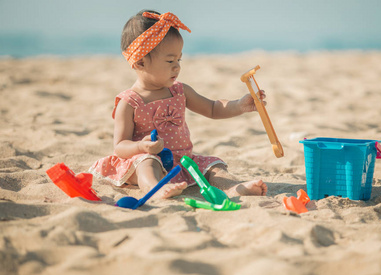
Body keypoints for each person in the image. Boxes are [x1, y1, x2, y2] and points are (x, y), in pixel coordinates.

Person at [89, 10, 268, 199]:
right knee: (147, 164)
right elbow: (120, 146)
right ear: (140, 63)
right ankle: (155, 188)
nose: (177, 66)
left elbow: (213, 108)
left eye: (178, 59)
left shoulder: (180, 91)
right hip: (144, 160)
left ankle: (232, 187)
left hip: (182, 162)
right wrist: (141, 147)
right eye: (169, 60)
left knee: (215, 167)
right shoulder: (129, 102)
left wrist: (239, 105)